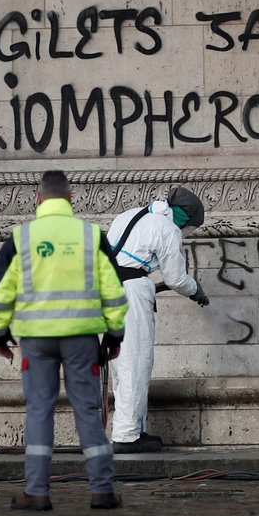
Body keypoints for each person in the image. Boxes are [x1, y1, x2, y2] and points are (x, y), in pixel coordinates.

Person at [0, 170, 128, 511]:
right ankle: (102, 491)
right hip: (82, 339)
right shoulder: (91, 235)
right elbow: (115, 292)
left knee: (39, 412)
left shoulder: (20, 239)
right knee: (88, 412)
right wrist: (114, 334)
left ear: (38, 199)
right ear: (71, 196)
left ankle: (37, 492)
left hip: (36, 341)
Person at [106, 186, 209, 453]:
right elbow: (175, 278)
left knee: (119, 363)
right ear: (185, 219)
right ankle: (127, 437)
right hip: (130, 294)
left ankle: (128, 429)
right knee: (135, 361)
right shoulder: (168, 229)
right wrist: (194, 289)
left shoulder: (129, 215)